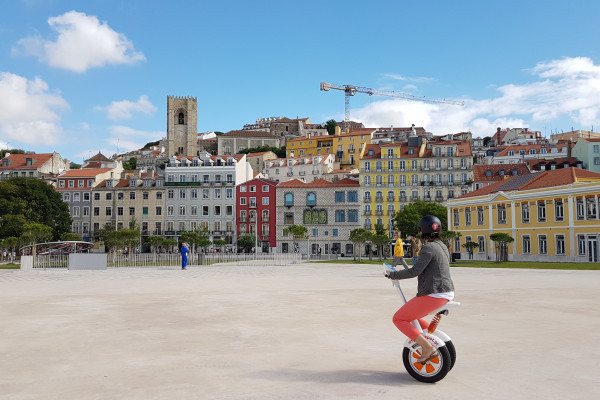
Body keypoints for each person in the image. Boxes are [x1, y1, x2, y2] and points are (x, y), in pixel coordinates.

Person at [385, 215, 455, 364]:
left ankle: (427, 347)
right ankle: (430, 334)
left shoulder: (428, 247)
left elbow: (415, 271)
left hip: (435, 293)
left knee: (399, 318)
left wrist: (393, 275)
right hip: (446, 291)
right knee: (411, 316)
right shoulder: (442, 245)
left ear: (422, 231)